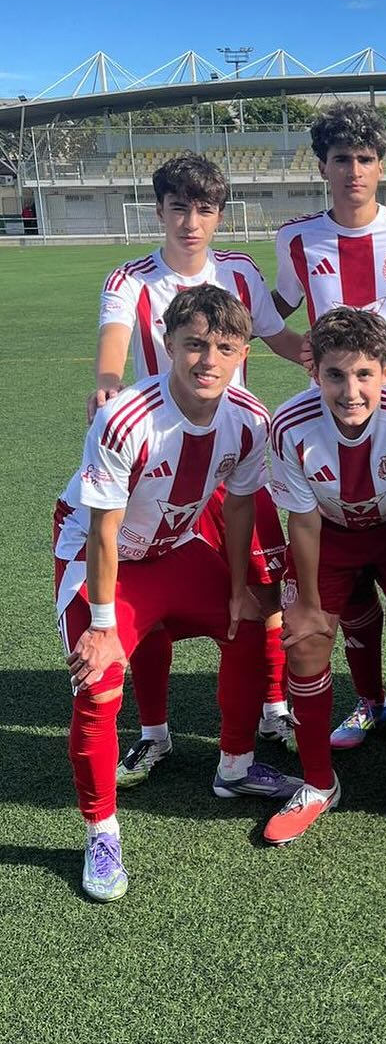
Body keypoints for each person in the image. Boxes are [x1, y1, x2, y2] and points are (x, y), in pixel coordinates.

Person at [55, 286, 300, 901]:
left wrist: (239, 588)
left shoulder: (250, 419)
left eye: (224, 347)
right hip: (101, 558)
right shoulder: (126, 418)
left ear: (243, 352)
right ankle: (101, 831)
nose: (208, 360)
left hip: (173, 547)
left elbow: (238, 506)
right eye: (194, 344)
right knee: (98, 679)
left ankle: (235, 768)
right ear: (168, 345)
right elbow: (104, 530)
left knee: (249, 622)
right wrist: (103, 625)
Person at [92, 152, 306, 781]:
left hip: (233, 457)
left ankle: (271, 708)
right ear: (158, 211)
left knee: (262, 588)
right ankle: (154, 733)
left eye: (204, 209)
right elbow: (112, 353)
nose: (190, 222)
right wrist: (106, 386)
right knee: (150, 596)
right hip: (160, 463)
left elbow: (278, 338)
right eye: (178, 207)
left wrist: (336, 362)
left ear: (219, 215)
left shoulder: (240, 271)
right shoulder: (130, 279)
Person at [273, 103, 386, 751]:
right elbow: (271, 311)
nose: (353, 170)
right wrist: (309, 359)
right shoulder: (297, 240)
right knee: (349, 594)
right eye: (340, 158)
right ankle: (370, 701)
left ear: (381, 165)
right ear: (323, 166)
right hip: (329, 430)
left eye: (365, 158)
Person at [266, 308, 386, 843]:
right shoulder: (289, 424)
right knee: (304, 642)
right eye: (336, 375)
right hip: (328, 533)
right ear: (315, 372)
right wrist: (306, 605)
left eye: (364, 374)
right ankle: (319, 783)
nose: (351, 391)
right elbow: (302, 520)